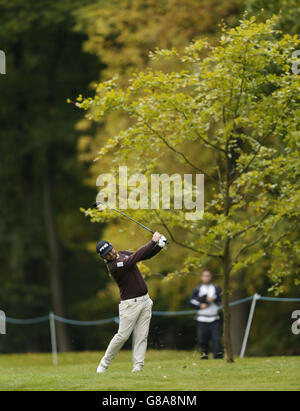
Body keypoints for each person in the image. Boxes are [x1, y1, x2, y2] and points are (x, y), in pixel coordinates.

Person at [96, 232, 167, 373]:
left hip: (145, 301)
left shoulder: (122, 253)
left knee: (142, 336)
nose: (110, 254)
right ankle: (104, 363)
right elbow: (134, 258)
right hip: (129, 305)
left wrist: (160, 245)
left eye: (110, 250)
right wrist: (153, 241)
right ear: (102, 257)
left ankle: (138, 367)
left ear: (112, 247)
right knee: (122, 336)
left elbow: (142, 255)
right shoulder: (114, 266)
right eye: (106, 254)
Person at [189, 268, 223, 359]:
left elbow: (221, 300)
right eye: (205, 276)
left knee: (216, 340)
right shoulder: (198, 289)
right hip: (202, 319)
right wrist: (200, 305)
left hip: (214, 318)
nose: (206, 278)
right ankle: (204, 357)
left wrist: (214, 299)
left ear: (210, 277)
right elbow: (191, 301)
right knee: (202, 341)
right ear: (201, 277)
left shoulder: (216, 288)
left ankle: (218, 357)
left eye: (208, 276)